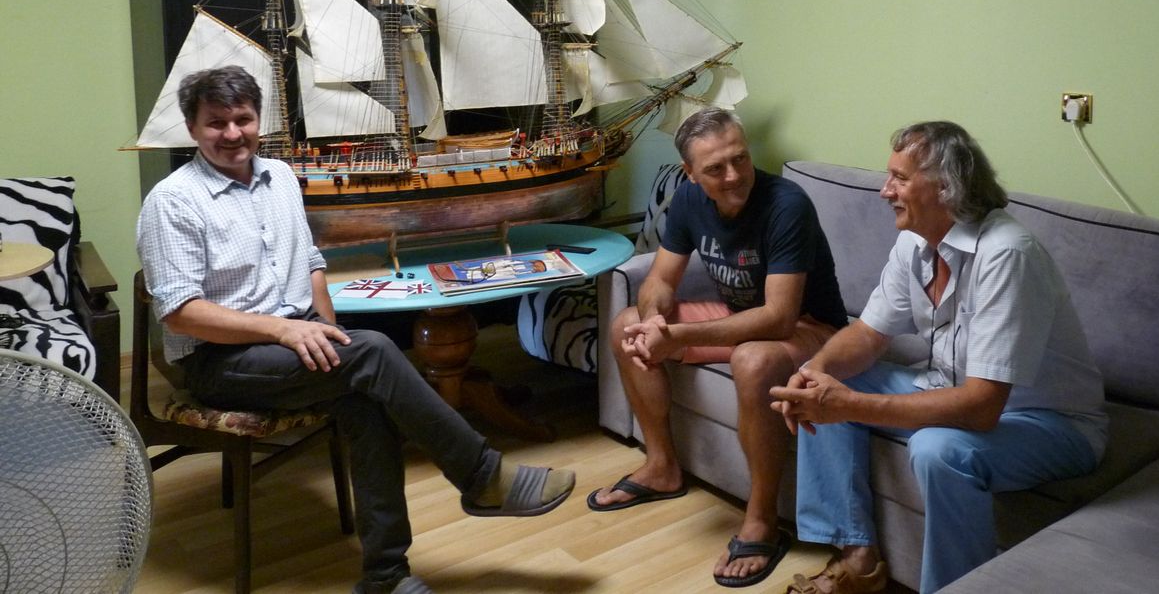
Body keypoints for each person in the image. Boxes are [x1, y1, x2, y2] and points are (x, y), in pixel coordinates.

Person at [136, 66, 576, 594]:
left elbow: (310, 263)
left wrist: (324, 331)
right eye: (216, 123)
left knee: (366, 400)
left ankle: (385, 576)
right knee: (373, 352)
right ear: (192, 128)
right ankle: (482, 476)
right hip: (219, 360)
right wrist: (283, 332)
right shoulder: (172, 201)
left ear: (259, 120)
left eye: (243, 119)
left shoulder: (280, 176)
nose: (232, 133)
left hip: (291, 338)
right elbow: (180, 312)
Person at [770, 121, 1107, 594]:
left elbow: (982, 407)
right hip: (947, 387)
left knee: (937, 450)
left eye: (900, 178)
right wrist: (817, 371)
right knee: (817, 383)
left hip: (1049, 423)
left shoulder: (1007, 255)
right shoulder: (914, 241)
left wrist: (847, 405)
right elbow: (867, 333)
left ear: (947, 186)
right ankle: (857, 560)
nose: (885, 190)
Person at [587, 107, 848, 588]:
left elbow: (779, 317)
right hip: (741, 316)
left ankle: (761, 520)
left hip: (811, 328)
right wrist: (654, 322)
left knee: (753, 358)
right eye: (715, 168)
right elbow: (660, 281)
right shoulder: (689, 199)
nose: (733, 176)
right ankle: (662, 467)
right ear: (690, 172)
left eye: (740, 159)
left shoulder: (787, 204)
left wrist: (677, 337)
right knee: (628, 326)